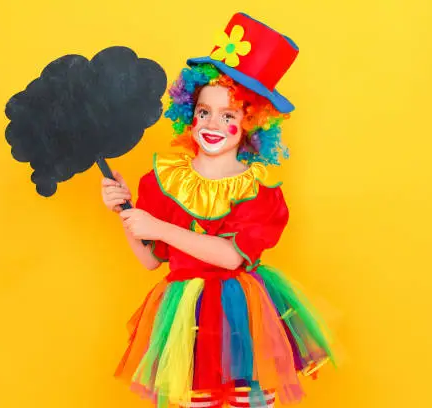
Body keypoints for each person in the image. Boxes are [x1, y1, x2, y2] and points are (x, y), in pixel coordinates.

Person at [101, 12, 335, 408]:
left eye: (228, 115)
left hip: (243, 318)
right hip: (184, 322)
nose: (212, 122)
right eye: (204, 111)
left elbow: (229, 257)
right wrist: (125, 212)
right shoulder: (162, 180)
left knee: (251, 399)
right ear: (188, 112)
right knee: (196, 401)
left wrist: (157, 225)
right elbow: (149, 260)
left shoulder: (258, 189)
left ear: (250, 122)